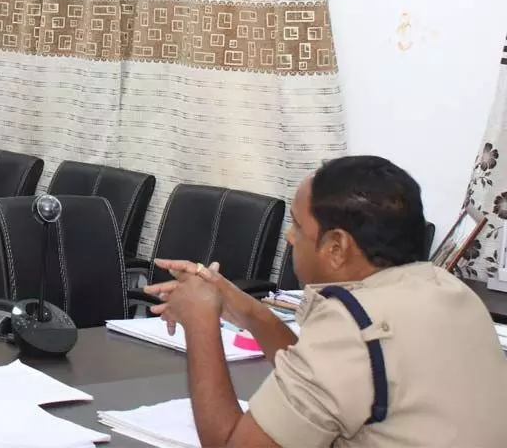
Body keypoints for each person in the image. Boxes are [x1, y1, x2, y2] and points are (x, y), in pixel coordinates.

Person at [143, 155, 507, 448]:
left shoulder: (355, 324)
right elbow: (336, 379)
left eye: (298, 227)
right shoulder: (449, 290)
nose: (289, 237)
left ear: (336, 247)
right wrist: (248, 309)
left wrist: (201, 321)